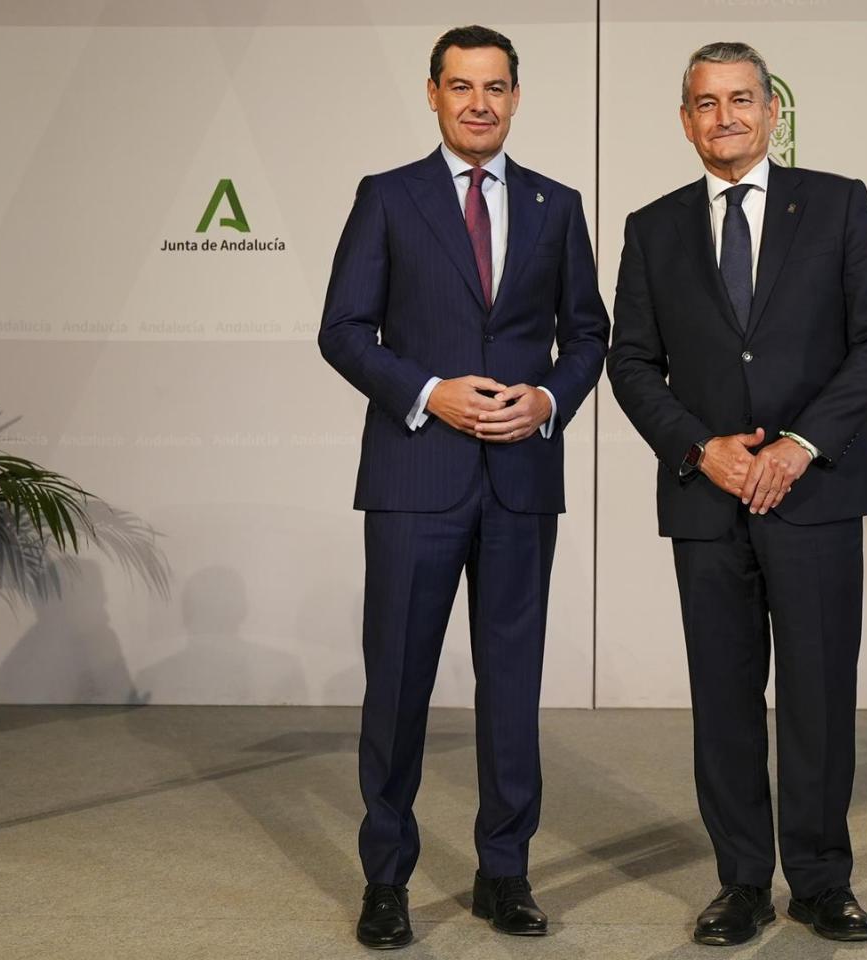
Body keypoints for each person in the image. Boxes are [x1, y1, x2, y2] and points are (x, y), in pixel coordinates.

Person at [605, 40, 867, 947]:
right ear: (686, 118)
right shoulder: (652, 227)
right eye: (705, 102)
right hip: (707, 502)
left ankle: (820, 882)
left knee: (817, 695)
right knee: (725, 698)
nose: (724, 117)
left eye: (741, 100)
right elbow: (630, 362)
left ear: (772, 112)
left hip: (813, 495)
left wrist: (800, 446)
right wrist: (705, 452)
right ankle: (740, 882)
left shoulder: (840, 205)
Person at [318, 24, 608, 950]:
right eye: (460, 86)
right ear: (433, 94)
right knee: (398, 683)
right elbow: (344, 330)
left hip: (521, 481)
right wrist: (429, 392)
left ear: (516, 97)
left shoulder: (556, 205)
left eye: (495, 87)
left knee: (511, 687)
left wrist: (548, 400)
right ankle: (387, 880)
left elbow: (590, 335)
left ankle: (504, 872)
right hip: (415, 480)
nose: (478, 102)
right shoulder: (388, 198)